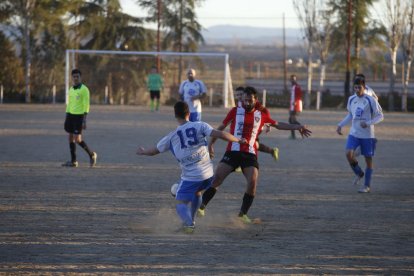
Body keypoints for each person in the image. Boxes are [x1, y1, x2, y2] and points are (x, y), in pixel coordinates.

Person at [199, 86, 312, 223]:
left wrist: (297, 127)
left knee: (252, 182)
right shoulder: (235, 111)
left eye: (249, 100)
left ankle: (242, 214)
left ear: (255, 100)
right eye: (245, 100)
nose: (246, 103)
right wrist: (211, 144)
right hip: (232, 151)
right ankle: (201, 207)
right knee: (217, 179)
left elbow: (278, 124)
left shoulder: (261, 115)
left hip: (250, 154)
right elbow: (220, 128)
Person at [136, 101, 246, 233]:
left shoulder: (171, 136)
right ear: (189, 113)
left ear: (175, 116)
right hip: (208, 175)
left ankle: (188, 224)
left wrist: (143, 152)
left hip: (191, 177)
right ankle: (192, 221)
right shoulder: (200, 125)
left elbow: (153, 151)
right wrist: (238, 140)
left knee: (180, 203)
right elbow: (220, 134)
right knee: (197, 192)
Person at [336, 77, 384, 193]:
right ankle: (359, 172)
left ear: (364, 87)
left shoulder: (370, 100)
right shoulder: (351, 99)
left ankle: (366, 186)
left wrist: (368, 123)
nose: (357, 90)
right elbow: (350, 115)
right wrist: (340, 124)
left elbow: (380, 116)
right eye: (355, 87)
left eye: (359, 87)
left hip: (367, 136)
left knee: (368, 160)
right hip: (354, 133)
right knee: (348, 153)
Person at [62, 69, 97, 167]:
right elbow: (69, 104)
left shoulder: (84, 89)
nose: (76, 78)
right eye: (74, 76)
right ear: (72, 78)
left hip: (79, 117)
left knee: (77, 139)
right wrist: (66, 116)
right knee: (70, 137)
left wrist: (84, 120)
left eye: (77, 76)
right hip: (70, 116)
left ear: (80, 77)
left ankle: (92, 154)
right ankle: (73, 161)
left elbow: (86, 105)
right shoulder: (71, 89)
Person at [234, 86, 279, 162]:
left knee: (249, 142)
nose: (239, 97)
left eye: (240, 94)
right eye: (237, 95)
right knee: (253, 143)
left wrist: (268, 125)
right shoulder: (239, 103)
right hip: (244, 126)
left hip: (255, 125)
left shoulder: (254, 102)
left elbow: (265, 111)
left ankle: (243, 162)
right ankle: (272, 151)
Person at [289, 74, 303, 139]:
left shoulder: (297, 86)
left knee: (292, 120)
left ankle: (302, 128)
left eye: (294, 79)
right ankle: (293, 135)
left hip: (295, 106)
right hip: (292, 106)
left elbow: (299, 95)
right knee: (291, 120)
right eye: (292, 79)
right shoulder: (293, 86)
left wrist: (296, 102)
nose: (292, 80)